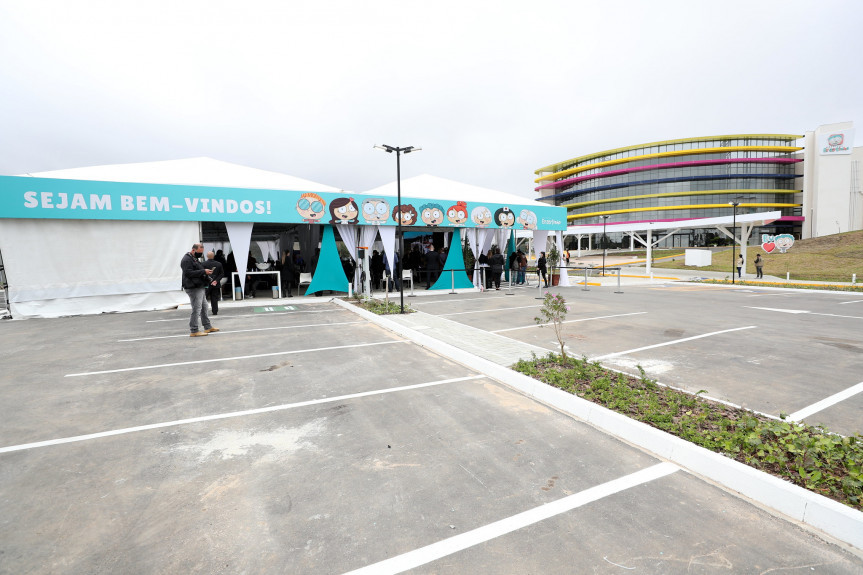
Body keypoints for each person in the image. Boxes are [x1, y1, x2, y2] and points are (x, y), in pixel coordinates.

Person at [180, 243, 218, 337]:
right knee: (196, 308)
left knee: (204, 306)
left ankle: (207, 326)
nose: (200, 255)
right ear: (193, 250)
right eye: (199, 252)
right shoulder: (186, 259)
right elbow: (188, 273)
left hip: (198, 286)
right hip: (193, 287)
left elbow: (197, 270)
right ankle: (194, 330)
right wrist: (203, 271)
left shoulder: (194, 259)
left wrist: (205, 273)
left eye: (201, 253)